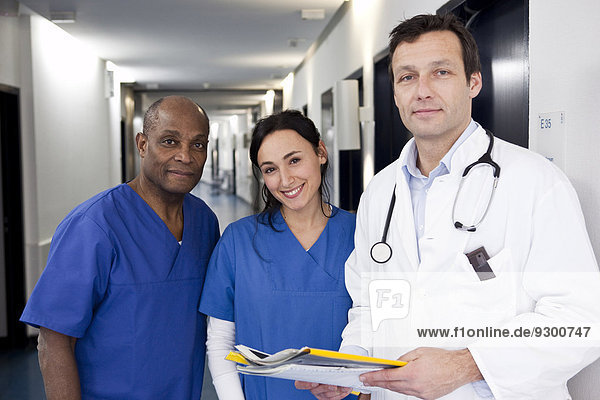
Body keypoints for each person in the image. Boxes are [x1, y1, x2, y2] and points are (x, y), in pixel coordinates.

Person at [298, 13, 600, 400]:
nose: (421, 90)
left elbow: (580, 320)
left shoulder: (535, 182)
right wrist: (351, 369)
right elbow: (370, 306)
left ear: (473, 82)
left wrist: (465, 365)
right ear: (394, 93)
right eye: (407, 77)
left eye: (440, 72)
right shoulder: (379, 192)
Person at [20, 96, 220, 399]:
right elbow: (53, 341)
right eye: (169, 141)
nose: (185, 156)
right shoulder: (94, 225)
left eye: (198, 144)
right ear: (142, 144)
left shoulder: (204, 221)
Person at [199, 109, 356, 399]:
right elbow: (221, 341)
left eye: (294, 160)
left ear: (320, 152)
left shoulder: (361, 236)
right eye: (270, 169)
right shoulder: (239, 241)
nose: (285, 180)